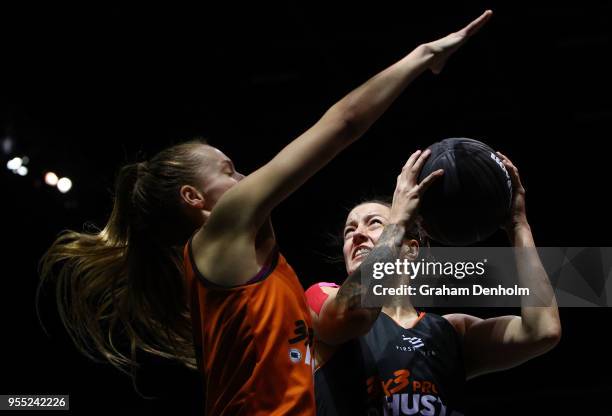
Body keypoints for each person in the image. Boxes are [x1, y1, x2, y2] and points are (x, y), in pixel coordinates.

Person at [39, 10, 493, 416]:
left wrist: (517, 221)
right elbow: (344, 124)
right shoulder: (294, 278)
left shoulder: (445, 328)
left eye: (371, 223)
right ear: (195, 199)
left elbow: (547, 328)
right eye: (229, 170)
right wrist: (423, 55)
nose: (245, 178)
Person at [306, 151, 561, 415]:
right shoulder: (321, 297)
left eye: (374, 224)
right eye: (350, 230)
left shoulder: (450, 332)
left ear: (411, 249)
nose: (358, 234)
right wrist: (396, 222)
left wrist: (519, 226)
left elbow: (542, 331)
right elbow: (354, 314)